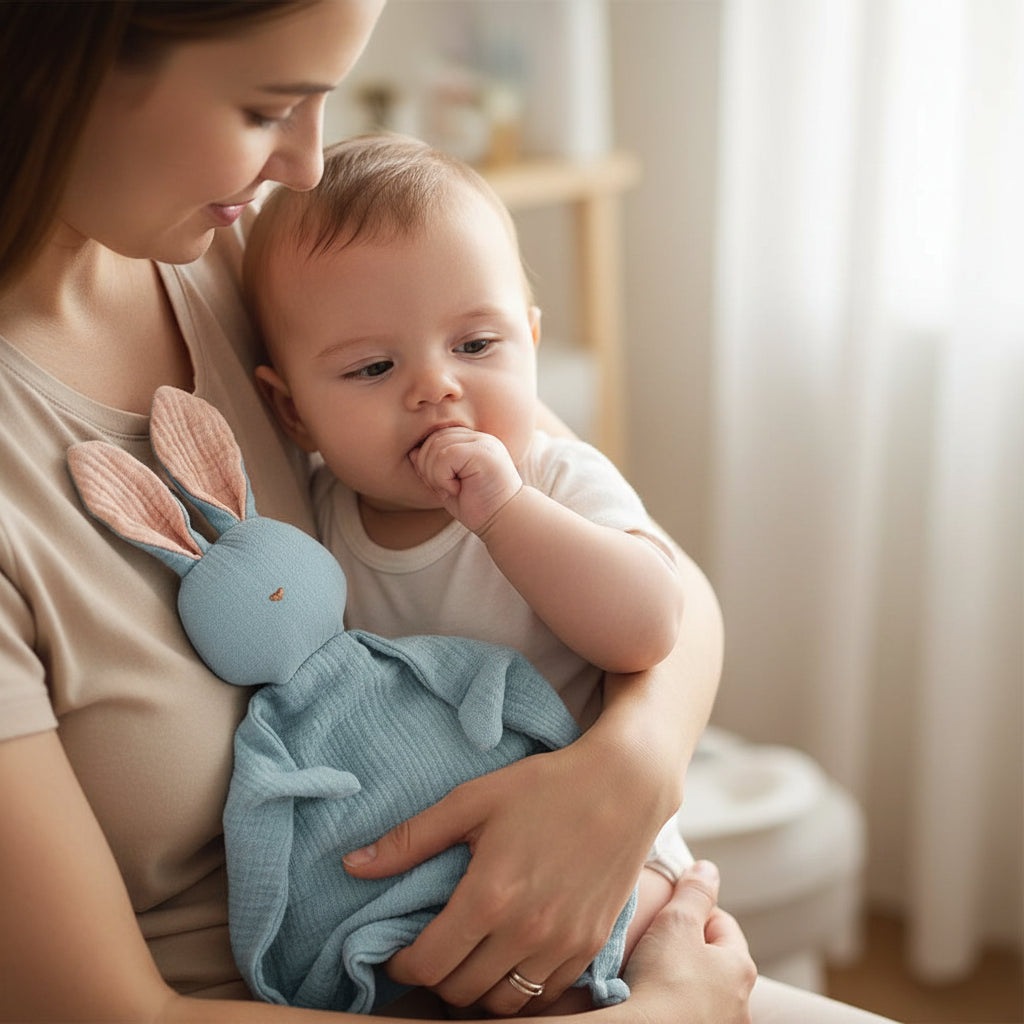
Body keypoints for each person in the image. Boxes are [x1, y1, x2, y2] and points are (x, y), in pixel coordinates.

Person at [0, 3, 896, 1022]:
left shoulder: (226, 238)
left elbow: (658, 584)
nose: (304, 162)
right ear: (52, 66)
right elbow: (101, 1008)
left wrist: (627, 769)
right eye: (265, 108)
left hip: (569, 931)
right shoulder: (260, 258)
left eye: (321, 100)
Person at [244, 132, 694, 1012]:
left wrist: (505, 515)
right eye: (375, 367)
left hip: (601, 859)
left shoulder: (555, 479)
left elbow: (649, 627)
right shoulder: (314, 523)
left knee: (635, 939)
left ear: (529, 338)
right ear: (292, 412)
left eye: (477, 344)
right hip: (432, 873)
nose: (435, 387)